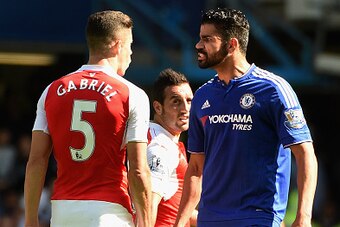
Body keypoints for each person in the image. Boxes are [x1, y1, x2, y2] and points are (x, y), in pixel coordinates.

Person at [174, 8, 318, 227]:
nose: (198, 45)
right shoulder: (202, 95)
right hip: (210, 219)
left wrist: (303, 217)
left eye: (207, 39)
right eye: (199, 38)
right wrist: (180, 222)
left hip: (258, 217)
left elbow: (305, 153)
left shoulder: (274, 89)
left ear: (232, 45)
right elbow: (195, 168)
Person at [24, 10, 152, 227]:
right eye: (130, 45)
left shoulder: (52, 90)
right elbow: (138, 169)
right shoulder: (132, 94)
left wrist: (30, 220)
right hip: (109, 212)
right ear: (118, 45)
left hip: (63, 211)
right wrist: (146, 222)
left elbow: (36, 161)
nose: (131, 53)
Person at [147, 68, 197, 227]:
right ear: (158, 107)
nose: (185, 109)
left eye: (189, 101)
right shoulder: (160, 146)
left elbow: (175, 210)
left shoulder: (163, 139)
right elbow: (148, 203)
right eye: (176, 101)